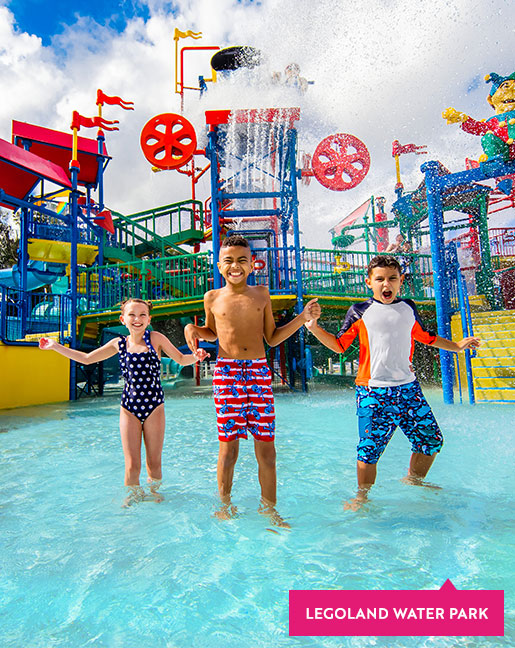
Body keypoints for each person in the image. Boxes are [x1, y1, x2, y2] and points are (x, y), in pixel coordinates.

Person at [304, 255, 480, 510]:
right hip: (373, 391)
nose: (386, 284)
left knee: (431, 440)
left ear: (401, 281)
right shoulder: (359, 312)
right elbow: (340, 346)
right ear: (369, 282)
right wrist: (314, 328)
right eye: (380, 279)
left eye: (392, 279)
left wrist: (456, 346)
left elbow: (426, 337)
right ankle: (362, 498)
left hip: (409, 389)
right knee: (369, 450)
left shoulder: (408, 307)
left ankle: (414, 480)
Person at [184, 234, 321, 525]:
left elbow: (271, 338)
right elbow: (211, 332)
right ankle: (224, 504)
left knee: (267, 449)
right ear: (220, 266)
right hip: (227, 373)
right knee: (229, 448)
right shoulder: (212, 297)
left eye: (242, 260)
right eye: (229, 261)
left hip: (258, 371)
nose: (236, 266)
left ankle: (269, 509)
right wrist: (191, 330)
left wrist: (301, 318)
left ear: (252, 265)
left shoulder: (261, 294)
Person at [39, 298, 208, 506]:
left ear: (149, 319)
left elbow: (181, 359)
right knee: (132, 465)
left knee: (154, 462)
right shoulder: (118, 344)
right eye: (132, 315)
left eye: (142, 315)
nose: (137, 319)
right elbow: (86, 358)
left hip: (154, 406)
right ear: (123, 319)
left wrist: (196, 357)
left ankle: (153, 492)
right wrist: (55, 346)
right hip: (128, 408)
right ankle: (134, 495)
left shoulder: (156, 338)